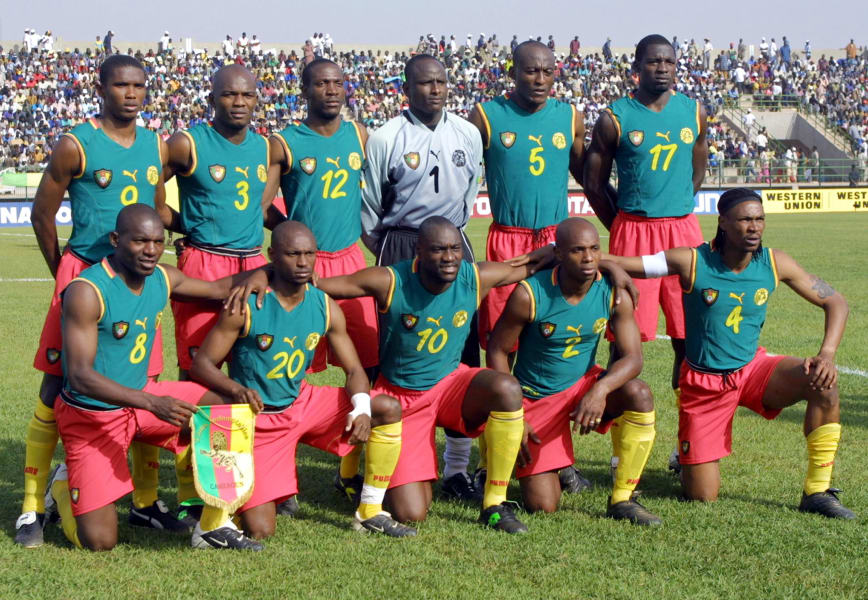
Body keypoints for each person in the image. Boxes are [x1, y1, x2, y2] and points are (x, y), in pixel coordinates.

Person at [604, 188, 855, 519]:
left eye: (760, 219)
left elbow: (834, 301)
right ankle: (686, 460)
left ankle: (817, 491)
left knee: (823, 383)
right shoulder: (692, 260)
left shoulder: (775, 262)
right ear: (723, 222)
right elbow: (626, 263)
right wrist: (564, 253)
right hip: (704, 385)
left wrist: (827, 353)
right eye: (746, 219)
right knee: (702, 495)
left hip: (753, 371)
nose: (755, 227)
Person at [17, 55, 179, 548]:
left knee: (144, 379)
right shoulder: (75, 143)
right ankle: (30, 506)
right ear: (101, 88)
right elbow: (42, 216)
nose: (131, 94)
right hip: (87, 276)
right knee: (54, 386)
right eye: (121, 85)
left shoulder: (156, 144)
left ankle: (146, 503)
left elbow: (155, 209)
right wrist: (68, 276)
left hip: (135, 281)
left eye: (139, 86)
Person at [45, 204, 269, 551]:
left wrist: (265, 272)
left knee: (226, 406)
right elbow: (79, 377)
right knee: (100, 541)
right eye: (139, 242)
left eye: (156, 241)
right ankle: (60, 487)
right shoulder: (87, 290)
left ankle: (211, 523)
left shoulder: (163, 277)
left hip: (142, 401)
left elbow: (218, 288)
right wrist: (152, 402)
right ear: (116, 239)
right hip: (93, 416)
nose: (150, 250)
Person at [190, 221, 416, 541]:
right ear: (272, 256)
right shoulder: (248, 303)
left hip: (304, 403)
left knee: (386, 408)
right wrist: (236, 389)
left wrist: (361, 407)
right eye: (293, 254)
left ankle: (369, 511)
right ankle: (225, 506)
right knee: (261, 528)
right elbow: (202, 364)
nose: (302, 262)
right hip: (261, 418)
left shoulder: (324, 304)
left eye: (309, 254)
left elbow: (353, 370)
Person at [361, 54, 485, 501]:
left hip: (453, 244)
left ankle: (455, 468)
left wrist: (451, 240)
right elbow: (370, 205)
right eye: (424, 83)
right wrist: (390, 251)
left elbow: (469, 194)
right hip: (399, 242)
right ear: (406, 89)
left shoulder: (468, 133)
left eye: (441, 82)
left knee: (464, 351)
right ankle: (377, 454)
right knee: (389, 352)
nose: (434, 89)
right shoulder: (385, 136)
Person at [583, 34, 708, 473]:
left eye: (669, 61)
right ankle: (621, 452)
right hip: (633, 231)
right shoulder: (615, 117)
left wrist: (676, 211)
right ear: (636, 67)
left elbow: (698, 167)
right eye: (654, 61)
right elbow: (594, 183)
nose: (663, 68)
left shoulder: (693, 111)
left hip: (683, 233)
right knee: (624, 345)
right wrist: (621, 224)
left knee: (688, 343)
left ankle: (686, 448)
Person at [468, 39, 588, 493]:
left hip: (558, 243)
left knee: (558, 350)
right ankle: (491, 456)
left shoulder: (569, 116)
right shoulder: (487, 115)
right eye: (530, 71)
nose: (539, 80)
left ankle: (560, 457)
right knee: (503, 348)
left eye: (547, 72)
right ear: (513, 71)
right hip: (510, 241)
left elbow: (586, 172)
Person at [487, 218, 660, 524]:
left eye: (594, 249)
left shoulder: (611, 290)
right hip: (536, 398)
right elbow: (498, 351)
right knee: (544, 505)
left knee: (639, 393)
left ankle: (623, 498)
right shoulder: (529, 294)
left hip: (583, 387)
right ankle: (497, 450)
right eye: (578, 250)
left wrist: (600, 390)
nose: (589, 258)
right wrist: (516, 416)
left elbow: (633, 358)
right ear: (559, 254)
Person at [164, 64, 274, 381]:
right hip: (204, 262)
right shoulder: (188, 143)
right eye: (229, 94)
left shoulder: (264, 146)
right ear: (212, 99)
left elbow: (260, 207)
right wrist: (188, 226)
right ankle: (190, 433)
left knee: (251, 370)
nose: (239, 102)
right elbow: (150, 192)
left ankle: (243, 433)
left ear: (256, 100)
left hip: (254, 264)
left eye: (246, 95)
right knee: (197, 369)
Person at [271, 58, 378, 380]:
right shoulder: (284, 142)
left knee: (367, 359)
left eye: (337, 83)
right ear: (304, 90)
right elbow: (262, 205)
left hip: (351, 260)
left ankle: (366, 425)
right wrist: (292, 237)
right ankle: (293, 427)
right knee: (294, 364)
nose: (331, 91)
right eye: (321, 84)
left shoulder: (359, 135)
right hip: (303, 265)